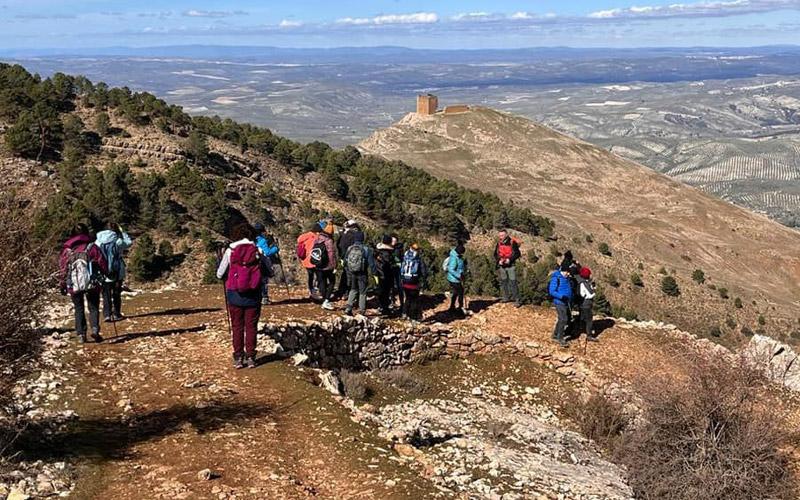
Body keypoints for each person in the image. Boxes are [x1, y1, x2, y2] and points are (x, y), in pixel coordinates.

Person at [217, 223, 267, 369]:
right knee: (251, 326)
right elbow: (269, 270)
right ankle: (251, 357)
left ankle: (238, 357)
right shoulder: (257, 250)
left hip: (234, 293)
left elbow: (220, 273)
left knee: (237, 326)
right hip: (253, 294)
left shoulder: (230, 250)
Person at [59, 223, 108, 344]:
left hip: (73, 284)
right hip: (92, 282)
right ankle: (95, 330)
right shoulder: (92, 247)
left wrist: (62, 284)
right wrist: (105, 275)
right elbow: (102, 262)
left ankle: (81, 334)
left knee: (78, 308)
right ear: (86, 232)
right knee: (93, 307)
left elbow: (63, 269)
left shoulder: (67, 251)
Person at [95, 222, 133, 322]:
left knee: (105, 293)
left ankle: (107, 314)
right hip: (117, 271)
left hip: (103, 271)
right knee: (116, 293)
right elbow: (129, 242)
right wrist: (123, 232)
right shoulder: (118, 241)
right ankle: (117, 313)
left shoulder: (98, 242)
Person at [344, 231, 376, 316]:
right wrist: (374, 274)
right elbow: (371, 264)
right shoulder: (366, 249)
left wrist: (348, 270)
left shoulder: (350, 248)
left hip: (352, 272)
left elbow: (345, 261)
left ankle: (348, 307)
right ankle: (362, 310)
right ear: (363, 239)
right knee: (363, 291)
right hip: (362, 273)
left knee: (353, 289)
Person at [335, 220, 363, 301]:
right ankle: (348, 293)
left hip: (345, 257)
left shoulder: (344, 235)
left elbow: (339, 245)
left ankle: (342, 292)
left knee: (345, 275)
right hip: (353, 258)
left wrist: (341, 257)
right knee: (351, 277)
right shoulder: (355, 235)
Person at [312, 221, 337, 311]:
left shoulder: (317, 238)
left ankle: (323, 299)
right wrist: (334, 266)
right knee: (332, 282)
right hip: (327, 266)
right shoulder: (329, 241)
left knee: (322, 282)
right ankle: (326, 300)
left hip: (318, 264)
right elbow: (331, 254)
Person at [548, 264, 574, 348]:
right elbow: (552, 291)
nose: (568, 274)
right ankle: (560, 338)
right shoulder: (556, 278)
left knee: (562, 319)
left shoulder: (566, 278)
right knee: (563, 319)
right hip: (559, 302)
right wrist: (561, 296)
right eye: (567, 272)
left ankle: (555, 334)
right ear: (563, 271)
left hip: (566, 301)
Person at [494, 230, 522, 307]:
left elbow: (517, 254)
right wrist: (499, 260)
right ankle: (506, 297)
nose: (501, 237)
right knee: (504, 282)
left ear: (506, 235)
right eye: (500, 236)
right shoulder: (499, 243)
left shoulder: (512, 243)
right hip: (502, 266)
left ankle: (517, 300)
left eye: (502, 235)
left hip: (511, 266)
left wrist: (509, 260)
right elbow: (495, 254)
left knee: (513, 283)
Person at [400, 243, 427, 321]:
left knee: (408, 298)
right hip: (414, 282)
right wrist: (423, 281)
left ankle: (404, 313)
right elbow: (424, 272)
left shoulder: (405, 257)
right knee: (414, 299)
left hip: (405, 281)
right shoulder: (418, 259)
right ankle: (413, 317)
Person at [254, 223, 279, 305]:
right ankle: (264, 297)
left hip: (253, 263)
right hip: (263, 262)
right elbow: (267, 252)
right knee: (264, 280)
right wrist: (275, 249)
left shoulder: (252, 240)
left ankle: (256, 298)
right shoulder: (262, 240)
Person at [296, 223, 320, 299]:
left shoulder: (304, 236)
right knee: (318, 276)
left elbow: (299, 241)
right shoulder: (316, 238)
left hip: (305, 260)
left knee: (310, 276)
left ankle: (311, 291)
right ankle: (315, 291)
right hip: (314, 260)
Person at [374, 235, 395, 316]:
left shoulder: (377, 251)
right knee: (385, 293)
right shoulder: (387, 253)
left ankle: (381, 307)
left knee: (381, 292)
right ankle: (385, 309)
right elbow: (388, 265)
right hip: (386, 275)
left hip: (378, 273)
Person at [576, 267, 598, 342]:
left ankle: (579, 330)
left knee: (581, 317)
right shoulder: (584, 283)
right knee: (589, 320)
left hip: (581, 303)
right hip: (586, 303)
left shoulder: (579, 281)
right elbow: (591, 294)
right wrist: (594, 289)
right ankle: (589, 335)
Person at [447, 243, 467, 315]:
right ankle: (460, 308)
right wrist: (459, 275)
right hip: (454, 279)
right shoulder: (454, 258)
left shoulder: (457, 256)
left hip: (455, 278)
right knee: (460, 291)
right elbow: (451, 269)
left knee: (456, 292)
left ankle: (452, 307)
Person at [390, 236, 405, 312]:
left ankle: (402, 304)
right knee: (391, 287)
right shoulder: (389, 248)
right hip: (391, 270)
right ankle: (392, 302)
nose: (393, 242)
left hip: (398, 270)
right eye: (392, 240)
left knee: (399, 287)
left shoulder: (399, 249)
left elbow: (402, 259)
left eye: (394, 241)